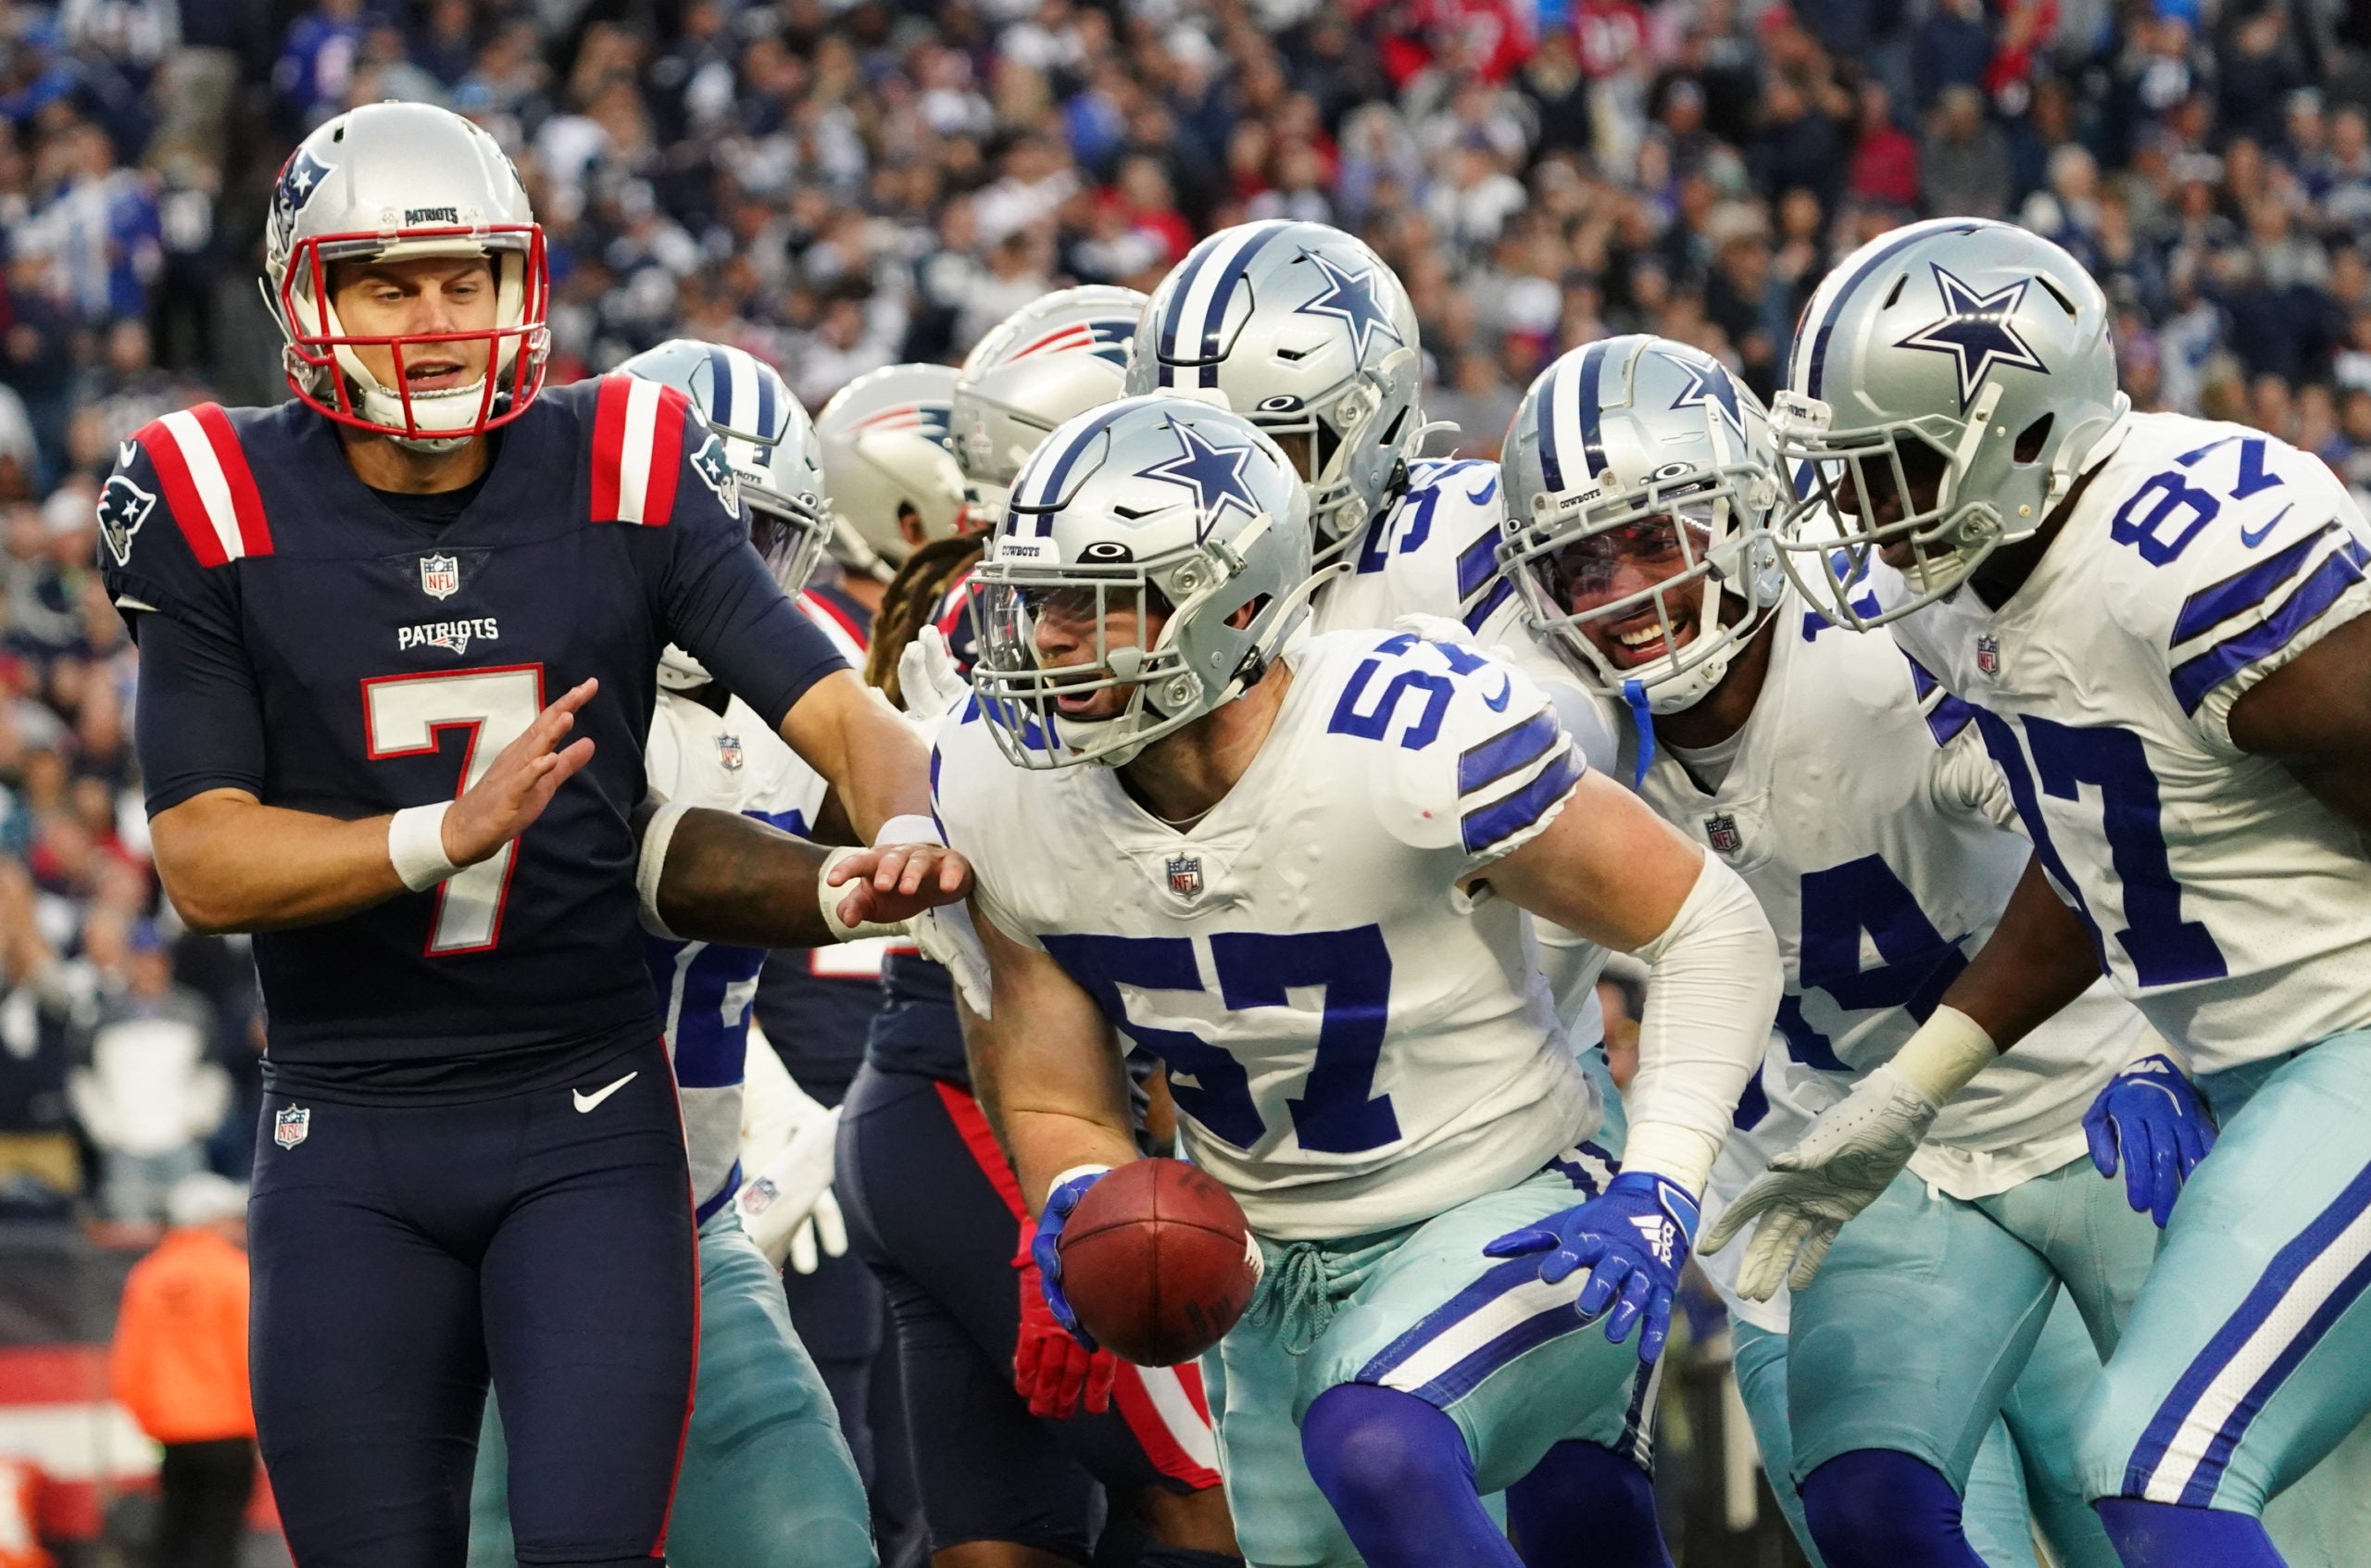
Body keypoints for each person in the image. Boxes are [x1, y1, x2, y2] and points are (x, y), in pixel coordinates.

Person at [99, 101, 967, 1568]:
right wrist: (444, 831)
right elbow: (200, 857)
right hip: (345, 1127)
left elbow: (841, 709)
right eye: (386, 282)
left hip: (583, 1126)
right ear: (304, 293)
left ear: (522, 285)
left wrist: (906, 826)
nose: (435, 320)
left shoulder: (621, 461)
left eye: (468, 279)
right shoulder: (207, 496)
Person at [939, 394, 1785, 1568]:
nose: (1045, 644)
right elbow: (1052, 1087)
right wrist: (1086, 1193)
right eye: (1039, 605)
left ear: (1232, 608)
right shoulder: (997, 782)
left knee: (1377, 1437)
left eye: (1097, 605)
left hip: (1510, 1212)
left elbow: (1708, 922)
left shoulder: (1402, 731)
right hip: (1265, 1274)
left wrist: (1659, 1184)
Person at [1725, 217, 2371, 1568]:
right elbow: (2098, 858)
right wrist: (1912, 1088)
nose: (1852, 513)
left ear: (2019, 436)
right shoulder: (1951, 589)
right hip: (2263, 1082)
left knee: (2162, 1466)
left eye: (1885, 468)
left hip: (2346, 1048)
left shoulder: (2188, 559)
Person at [1497, 332, 2190, 1568]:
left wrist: (2162, 1041)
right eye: (1582, 563)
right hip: (1821, 1178)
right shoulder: (1558, 733)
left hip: (2077, 1114)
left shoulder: (1888, 642)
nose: (1626, 594)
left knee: (2159, 1511)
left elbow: (2098, 836)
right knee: (1883, 1528)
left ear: (1752, 509)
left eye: (1658, 538)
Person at [839, 287, 1245, 1568]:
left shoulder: (983, 603)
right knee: (1209, 1494)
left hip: (927, 1100)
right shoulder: (1069, 622)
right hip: (1004, 1097)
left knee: (1000, 1541)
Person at [464, 338, 873, 1568]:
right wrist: (866, 878)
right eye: (699, 524)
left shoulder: (813, 691)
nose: (719, 568)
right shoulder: (514, 670)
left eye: (756, 535)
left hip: (692, 1225)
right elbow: (668, 877)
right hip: (494, 1234)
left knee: (813, 1537)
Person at [109, 1172, 255, 1568]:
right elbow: (250, 1357)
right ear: (213, 1220)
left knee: (174, 1533)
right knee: (218, 1540)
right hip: (229, 1430)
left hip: (171, 1435)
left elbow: (128, 1363)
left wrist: (152, 1422)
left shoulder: (148, 1275)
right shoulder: (235, 1273)